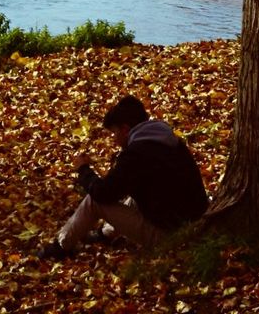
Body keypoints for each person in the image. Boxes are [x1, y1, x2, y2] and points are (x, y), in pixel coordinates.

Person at [37, 95, 208, 260]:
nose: (114, 139)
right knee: (133, 193)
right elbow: (123, 185)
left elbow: (102, 193)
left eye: (114, 132)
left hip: (171, 236)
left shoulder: (136, 155)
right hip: (193, 226)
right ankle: (106, 234)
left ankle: (61, 246)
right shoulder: (169, 141)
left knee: (94, 202)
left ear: (125, 129)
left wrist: (83, 170)